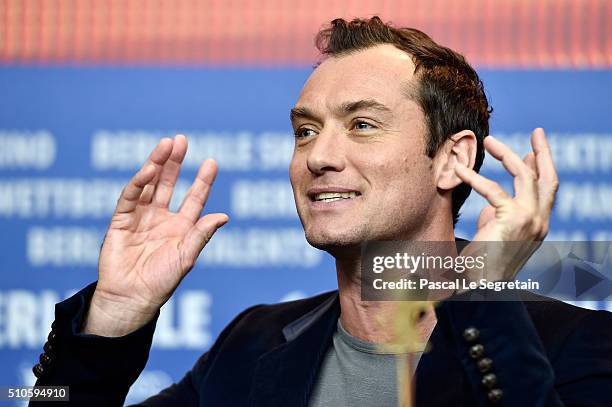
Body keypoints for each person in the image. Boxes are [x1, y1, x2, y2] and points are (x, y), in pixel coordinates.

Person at [31, 17, 612, 406]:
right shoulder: (251, 347)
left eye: (362, 125)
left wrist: (481, 289)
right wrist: (113, 315)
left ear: (452, 159)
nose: (320, 157)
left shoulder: (581, 346)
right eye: (305, 131)